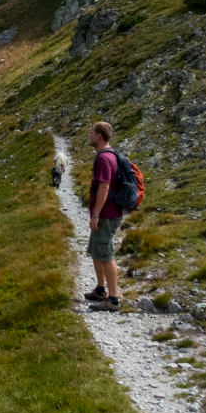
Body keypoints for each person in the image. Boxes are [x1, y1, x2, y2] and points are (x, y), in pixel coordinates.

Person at [84, 121, 122, 311]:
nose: (89, 135)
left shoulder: (104, 159)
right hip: (106, 213)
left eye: (91, 132)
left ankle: (113, 300)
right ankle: (100, 290)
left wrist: (96, 215)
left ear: (99, 136)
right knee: (98, 251)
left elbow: (104, 187)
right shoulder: (108, 155)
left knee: (106, 255)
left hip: (106, 214)